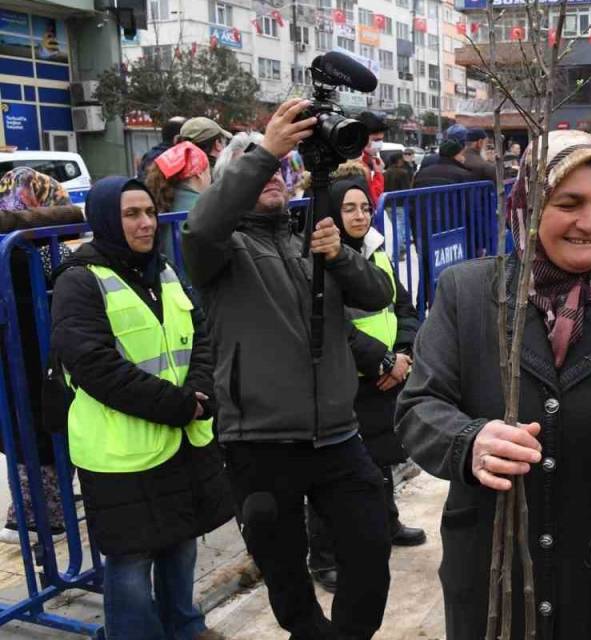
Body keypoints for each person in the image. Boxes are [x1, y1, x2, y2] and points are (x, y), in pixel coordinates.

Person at [395, 129, 591, 637]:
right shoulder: (468, 293)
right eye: (569, 203)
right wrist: (467, 442)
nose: (589, 223)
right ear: (527, 204)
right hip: (493, 571)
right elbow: (418, 407)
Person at [182, 98, 394, 639]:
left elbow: (376, 295)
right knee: (286, 575)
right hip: (261, 443)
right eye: (256, 166)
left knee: (370, 549)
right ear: (231, 182)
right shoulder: (220, 252)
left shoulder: (308, 239)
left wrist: (339, 256)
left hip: (337, 438)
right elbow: (201, 231)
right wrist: (266, 147)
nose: (273, 175)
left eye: (279, 170)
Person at [52, 177, 231, 640]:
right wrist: (177, 404)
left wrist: (199, 389)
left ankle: (185, 627)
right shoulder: (80, 281)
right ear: (109, 220)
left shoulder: (163, 270)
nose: (146, 223)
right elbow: (94, 366)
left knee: (180, 543)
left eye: (150, 212)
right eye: (132, 214)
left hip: (179, 437)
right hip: (121, 452)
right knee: (132, 562)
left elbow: (200, 336)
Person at [306, 178, 426, 592]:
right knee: (335, 472)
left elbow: (404, 304)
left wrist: (404, 352)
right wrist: (384, 360)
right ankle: (323, 558)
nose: (359, 216)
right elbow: (333, 327)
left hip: (388, 374)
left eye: (365, 207)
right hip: (348, 380)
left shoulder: (376, 250)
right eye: (349, 208)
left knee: (382, 457)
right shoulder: (321, 261)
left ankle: (386, 523)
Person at [0, 168, 82, 545]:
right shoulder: (43, 252)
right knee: (49, 430)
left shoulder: (8, 247)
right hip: (43, 359)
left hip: (14, 364)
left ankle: (30, 516)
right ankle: (42, 521)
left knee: (23, 433)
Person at [143, 141, 211, 213]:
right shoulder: (207, 207)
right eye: (208, 172)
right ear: (199, 173)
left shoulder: (159, 203)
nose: (210, 177)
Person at [357, 112, 388, 203]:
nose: (379, 144)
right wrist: (378, 174)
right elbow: (373, 200)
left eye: (381, 140)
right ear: (361, 139)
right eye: (376, 140)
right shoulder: (356, 164)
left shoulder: (368, 160)